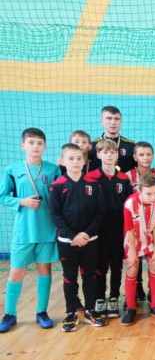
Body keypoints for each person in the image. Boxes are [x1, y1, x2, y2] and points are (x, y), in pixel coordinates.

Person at [0, 128, 61, 333]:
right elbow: (2, 196)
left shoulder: (53, 170)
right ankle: (9, 314)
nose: (35, 146)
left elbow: (60, 196)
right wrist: (21, 201)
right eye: (31, 142)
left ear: (45, 147)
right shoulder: (12, 169)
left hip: (47, 229)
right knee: (17, 272)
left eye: (39, 143)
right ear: (23, 145)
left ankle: (42, 312)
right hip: (23, 231)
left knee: (45, 270)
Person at [49, 143, 106, 331]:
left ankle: (90, 310)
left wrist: (87, 234)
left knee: (89, 275)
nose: (75, 162)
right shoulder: (57, 186)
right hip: (68, 242)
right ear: (63, 161)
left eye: (79, 158)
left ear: (84, 160)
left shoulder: (93, 184)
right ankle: (71, 313)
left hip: (90, 240)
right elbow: (55, 215)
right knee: (69, 276)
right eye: (71, 159)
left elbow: (100, 212)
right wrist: (73, 236)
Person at [87, 139, 133, 318]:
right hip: (98, 231)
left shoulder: (123, 179)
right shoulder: (90, 178)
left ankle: (114, 297)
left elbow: (128, 206)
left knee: (116, 265)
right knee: (100, 266)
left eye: (112, 152)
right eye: (105, 152)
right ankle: (99, 298)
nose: (109, 155)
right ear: (98, 155)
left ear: (117, 156)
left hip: (119, 230)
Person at [121, 174, 155, 325]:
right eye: (148, 193)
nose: (153, 197)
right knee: (132, 267)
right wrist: (133, 253)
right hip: (133, 239)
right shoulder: (130, 204)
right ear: (139, 191)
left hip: (150, 239)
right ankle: (131, 308)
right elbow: (129, 229)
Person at [89, 106, 135, 172]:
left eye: (117, 119)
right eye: (109, 118)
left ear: (121, 121)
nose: (113, 122)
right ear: (101, 121)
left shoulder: (132, 146)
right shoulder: (91, 146)